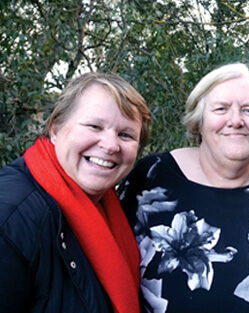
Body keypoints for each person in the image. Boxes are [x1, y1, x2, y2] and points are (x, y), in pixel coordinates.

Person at [118, 63, 249, 313]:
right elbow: (110, 266)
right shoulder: (152, 177)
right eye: (221, 109)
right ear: (199, 121)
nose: (236, 120)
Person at [0, 72, 152, 313]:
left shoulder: (112, 208)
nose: (111, 145)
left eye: (125, 135)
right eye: (94, 126)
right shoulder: (12, 215)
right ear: (55, 128)